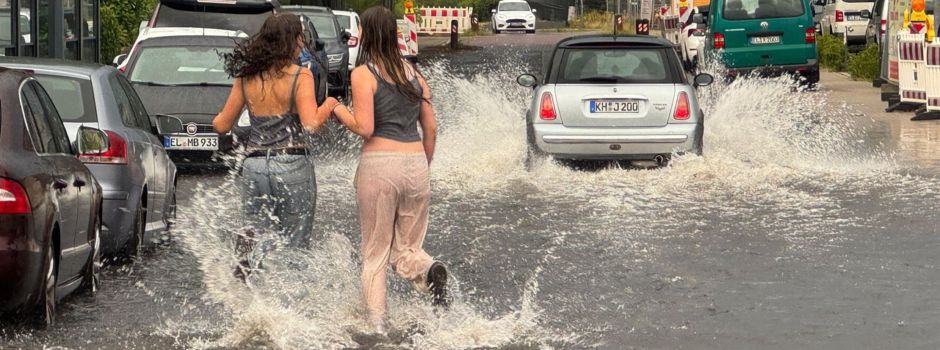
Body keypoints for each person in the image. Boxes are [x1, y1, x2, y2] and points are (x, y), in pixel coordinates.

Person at [325, 6, 449, 332]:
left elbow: (365, 127)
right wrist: (423, 164)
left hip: (380, 165)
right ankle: (429, 269)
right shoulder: (415, 75)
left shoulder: (363, 74)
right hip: (416, 163)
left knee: (376, 255)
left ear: (367, 34)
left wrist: (337, 109)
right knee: (407, 248)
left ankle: (377, 327)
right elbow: (431, 128)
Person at [212, 13, 332, 278]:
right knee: (295, 243)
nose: (302, 42)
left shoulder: (246, 77)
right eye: (300, 37)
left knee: (254, 232)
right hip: (291, 163)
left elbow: (221, 125)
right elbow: (311, 123)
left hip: (254, 165)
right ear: (292, 40)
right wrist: (331, 105)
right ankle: (288, 294)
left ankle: (246, 280)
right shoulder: (300, 76)